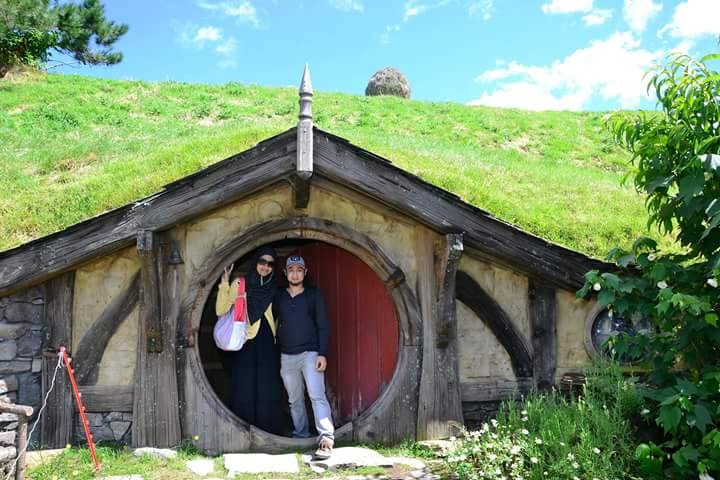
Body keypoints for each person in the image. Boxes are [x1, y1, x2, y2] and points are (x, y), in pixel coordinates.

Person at [215, 246, 288, 435]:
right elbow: (221, 310)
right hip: (246, 338)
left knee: (267, 383)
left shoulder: (275, 288)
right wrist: (224, 284)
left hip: (266, 342)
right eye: (262, 262)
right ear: (255, 263)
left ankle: (268, 427)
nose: (265, 267)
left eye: (270, 264)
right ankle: (243, 426)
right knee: (245, 382)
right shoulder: (240, 283)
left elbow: (279, 316)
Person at [274, 255, 335, 459]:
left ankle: (326, 439)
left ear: (305, 272)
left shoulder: (313, 295)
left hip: (310, 353)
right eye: (291, 269)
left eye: (299, 269)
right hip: (286, 356)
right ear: (285, 273)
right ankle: (301, 435)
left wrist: (322, 354)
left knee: (317, 395)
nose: (295, 273)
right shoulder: (279, 296)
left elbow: (323, 325)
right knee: (294, 400)